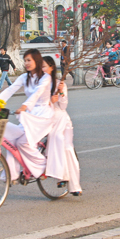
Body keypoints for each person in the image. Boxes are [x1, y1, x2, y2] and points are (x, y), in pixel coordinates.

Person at [0, 49, 56, 183]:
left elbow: (37, 92)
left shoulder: (45, 78)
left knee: (23, 142)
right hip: (29, 115)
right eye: (25, 60)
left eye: (29, 60)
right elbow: (10, 89)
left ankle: (44, 167)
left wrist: (25, 106)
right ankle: (13, 174)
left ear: (37, 60)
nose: (26, 63)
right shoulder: (24, 77)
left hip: (43, 116)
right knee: (11, 138)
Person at [42, 56, 82, 196]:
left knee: (67, 148)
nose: (42, 70)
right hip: (46, 120)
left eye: (44, 67)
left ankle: (74, 185)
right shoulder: (39, 85)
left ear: (51, 68)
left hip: (62, 121)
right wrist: (49, 101)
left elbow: (63, 106)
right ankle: (58, 174)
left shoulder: (60, 84)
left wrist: (60, 94)